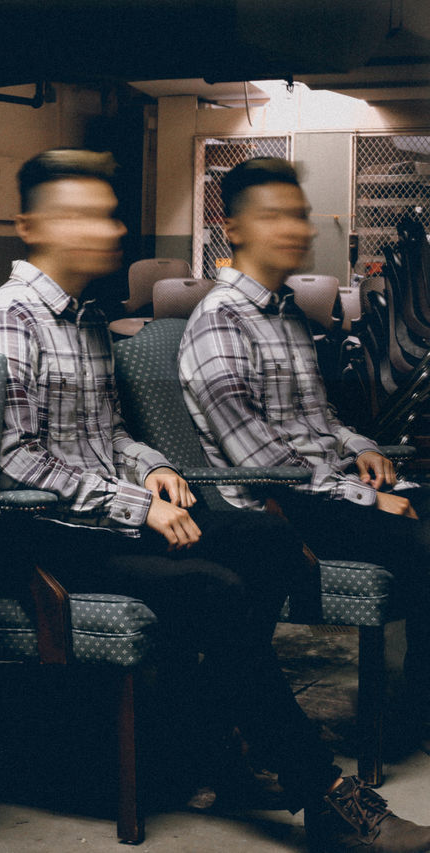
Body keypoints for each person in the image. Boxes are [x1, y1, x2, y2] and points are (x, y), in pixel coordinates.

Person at [0, 148, 430, 853]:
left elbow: (111, 432)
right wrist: (134, 505)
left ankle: (219, 745)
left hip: (102, 518)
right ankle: (321, 791)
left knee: (265, 541)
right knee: (216, 587)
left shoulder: (84, 316)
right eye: (87, 214)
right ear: (32, 226)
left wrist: (149, 466)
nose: (109, 227)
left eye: (109, 212)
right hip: (51, 535)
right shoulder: (11, 317)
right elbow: (13, 459)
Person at [179, 157, 430, 709]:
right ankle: (417, 710)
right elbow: (261, 460)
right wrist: (365, 499)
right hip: (279, 507)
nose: (299, 230)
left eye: (301, 215)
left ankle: (417, 700)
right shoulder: (220, 320)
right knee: (420, 538)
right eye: (277, 217)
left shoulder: (286, 316)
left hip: (326, 488)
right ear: (234, 228)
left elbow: (321, 421)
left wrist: (362, 450)